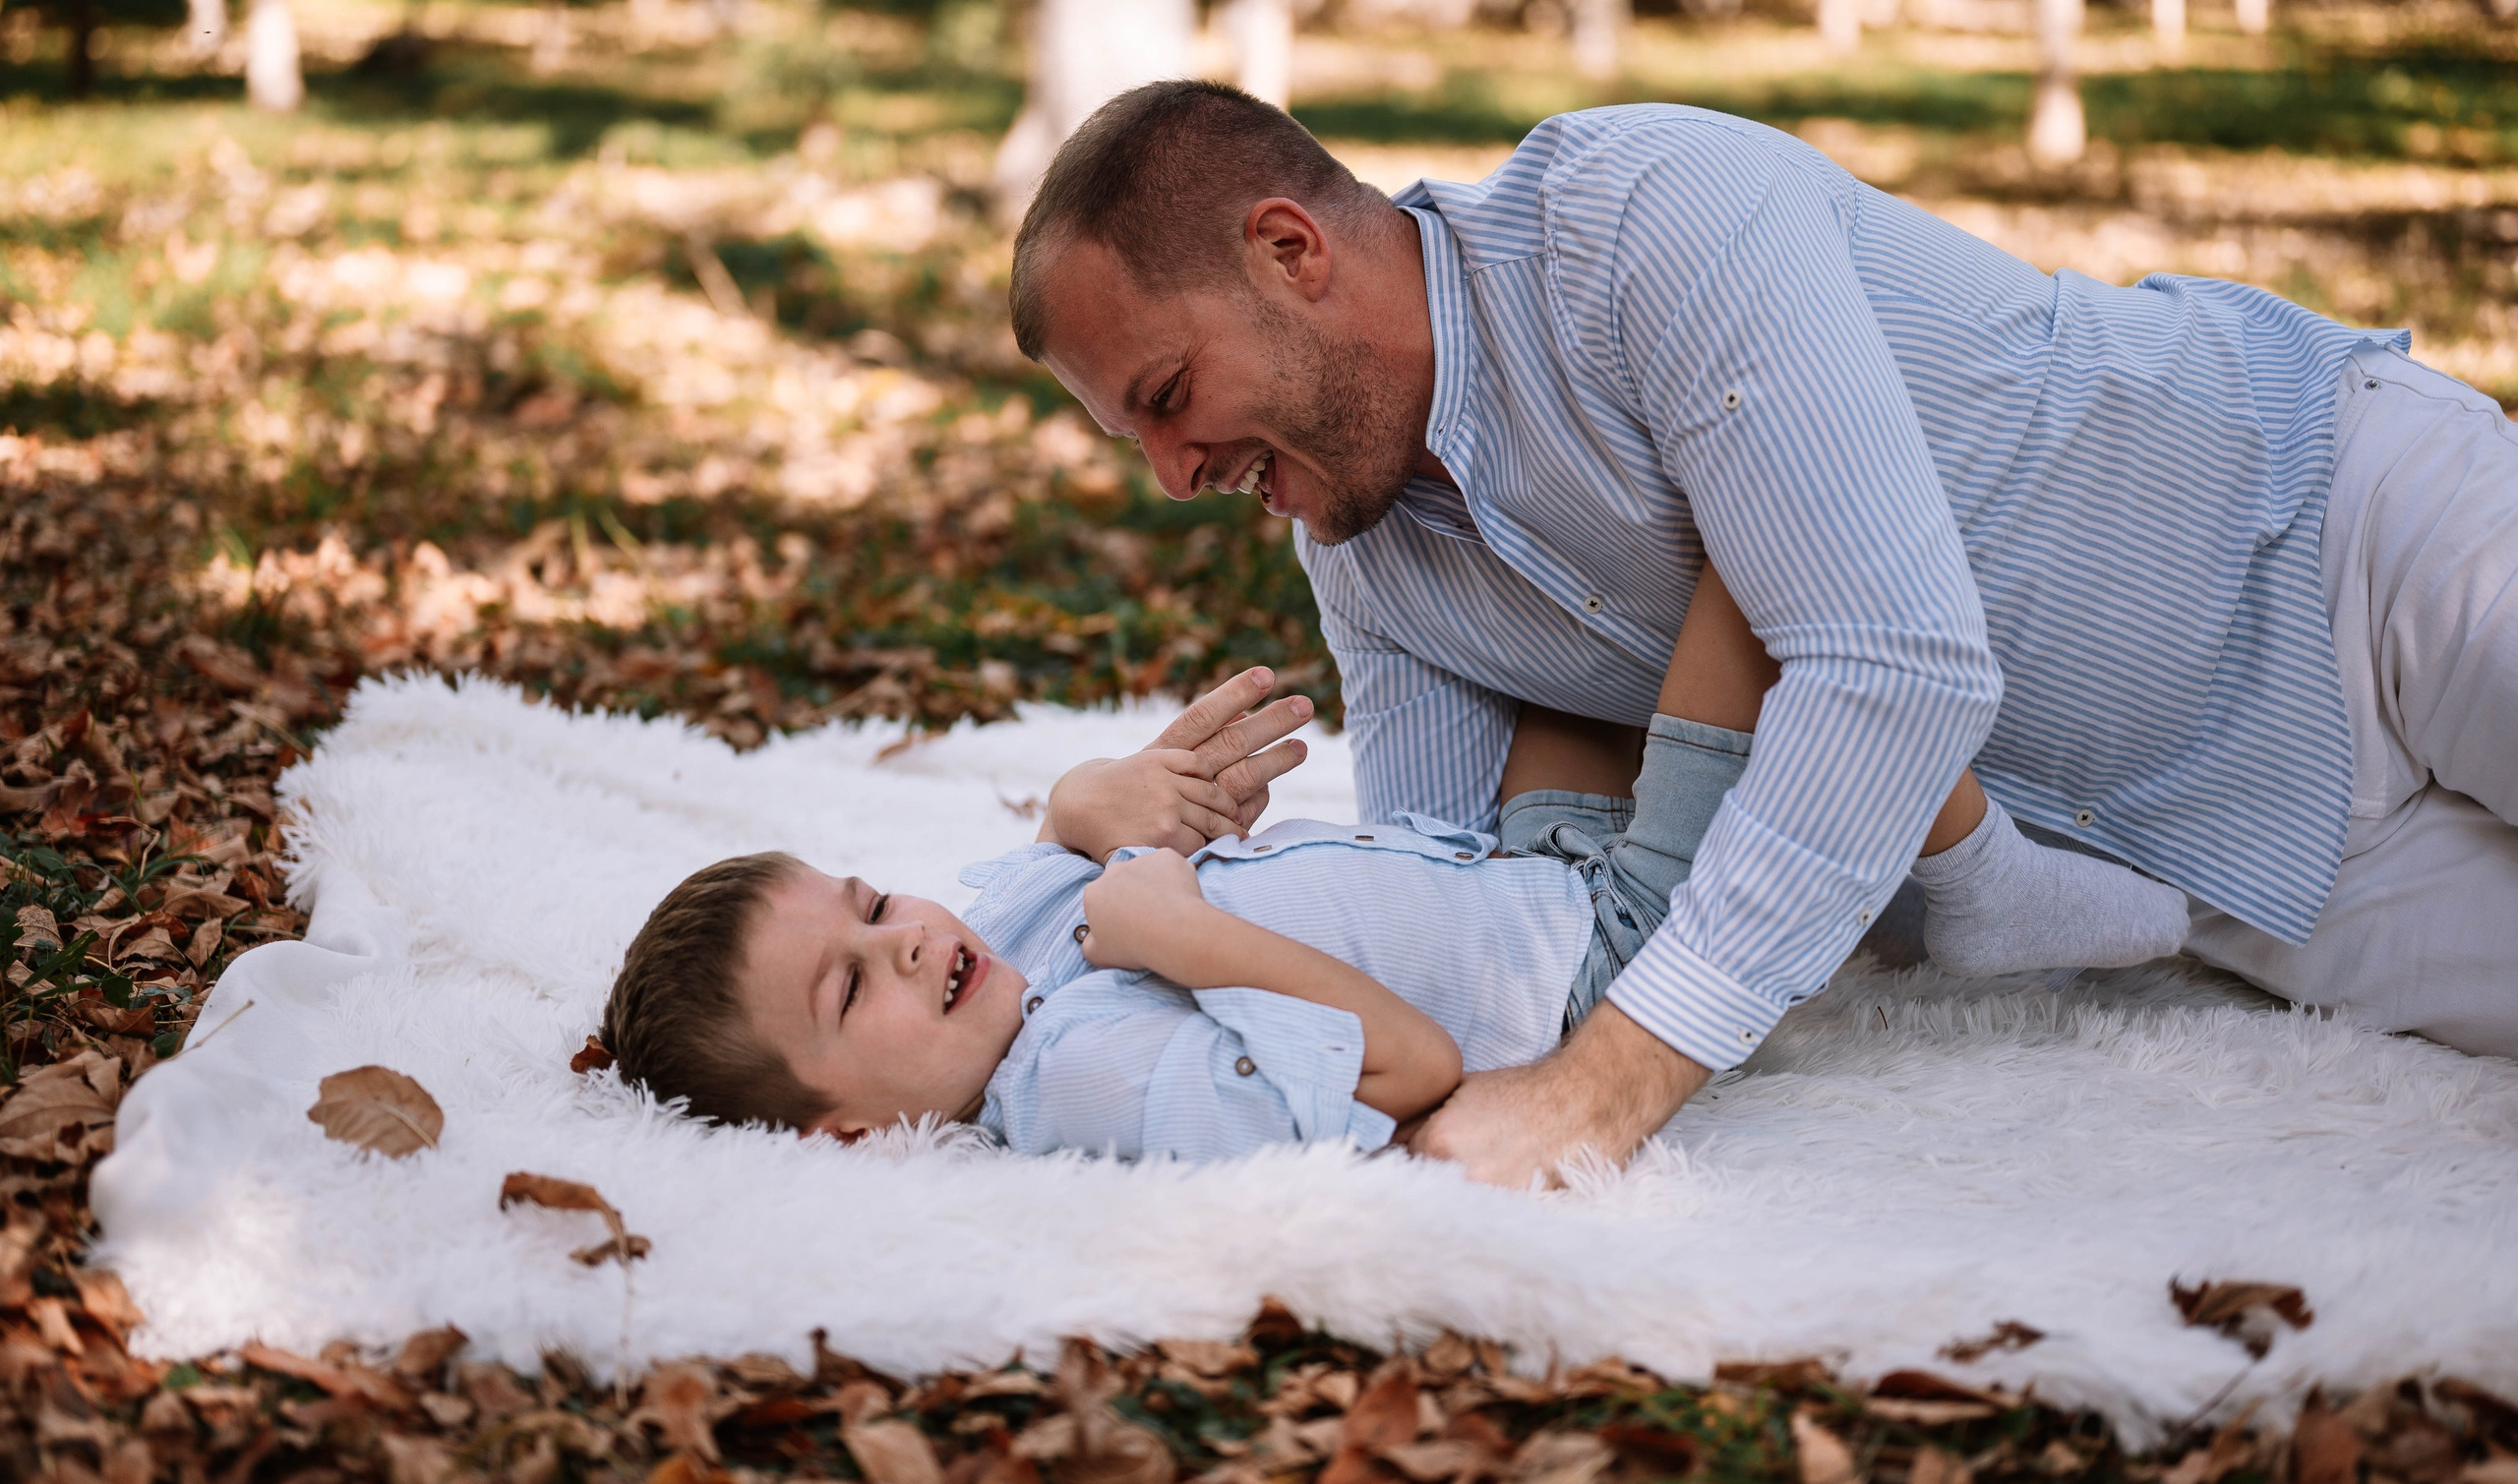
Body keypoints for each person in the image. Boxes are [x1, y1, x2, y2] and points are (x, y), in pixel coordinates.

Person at [1004, 82, 2518, 1186]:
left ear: (1289, 250)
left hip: (2335, 539)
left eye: (1164, 397)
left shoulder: (1638, 215)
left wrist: (1612, 1086)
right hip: (2240, 869)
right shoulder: (1374, 556)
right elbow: (1500, 935)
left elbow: (1889, 664)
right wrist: (1111, 833)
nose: (1174, 478)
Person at [599, 579, 2189, 1157]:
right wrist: (1191, 932)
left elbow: (1065, 832)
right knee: (1755, 577)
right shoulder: (1086, 1086)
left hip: (1517, 857)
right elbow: (1418, 1068)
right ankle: (1982, 874)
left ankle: (1923, 833)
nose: (907, 938)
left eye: (871, 906)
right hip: (1605, 955)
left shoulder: (990, 959)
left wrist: (1111, 791)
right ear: (856, 1125)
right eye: (852, 983)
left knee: (1556, 589)